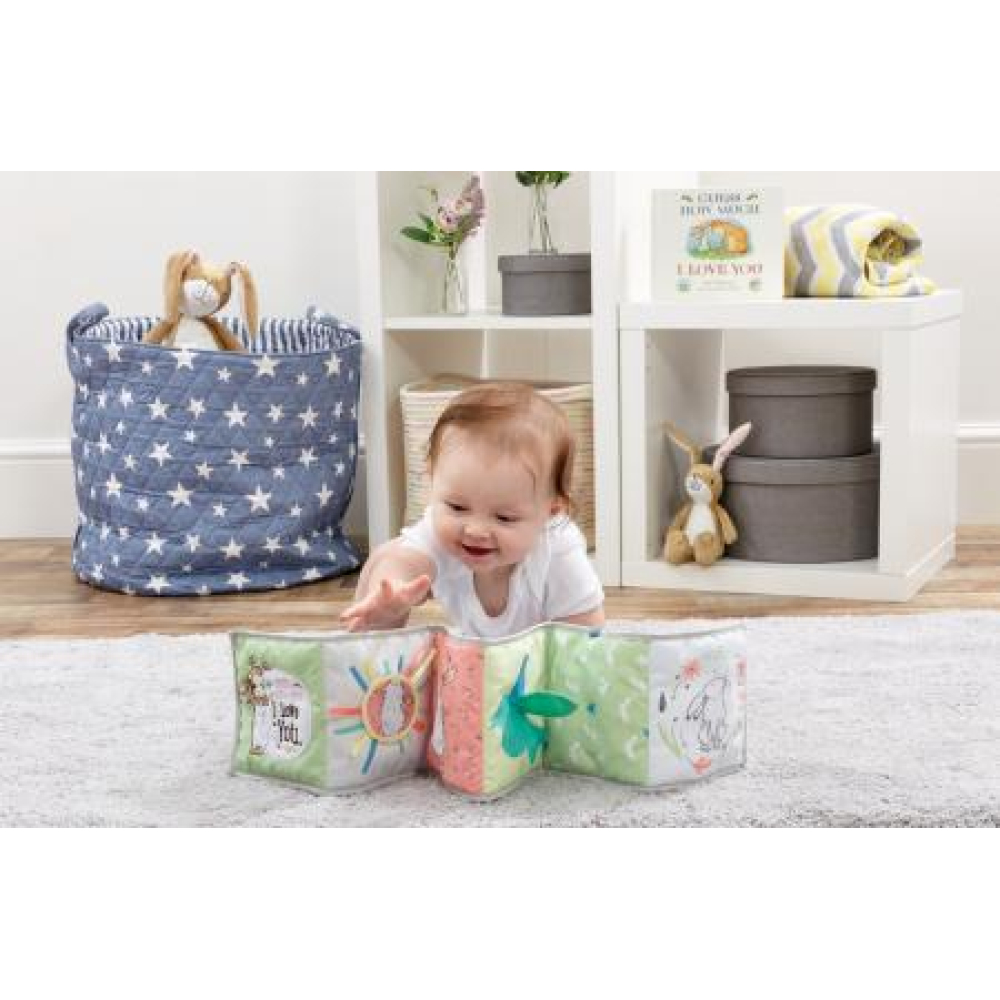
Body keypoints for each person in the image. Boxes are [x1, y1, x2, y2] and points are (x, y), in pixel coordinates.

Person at [340, 382, 605, 637]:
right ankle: (376, 625)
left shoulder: (557, 551)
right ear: (432, 478)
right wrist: (393, 590)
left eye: (504, 517)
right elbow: (406, 561)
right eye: (457, 507)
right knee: (385, 555)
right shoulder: (438, 532)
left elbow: (586, 634)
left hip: (543, 657)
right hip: (478, 655)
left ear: (551, 511)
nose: (476, 530)